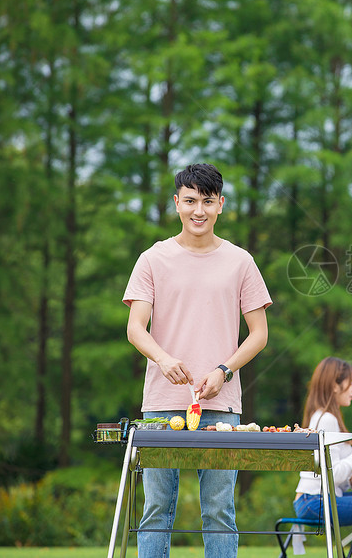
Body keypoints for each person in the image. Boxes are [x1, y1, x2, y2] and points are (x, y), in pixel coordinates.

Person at [123, 163, 272, 558]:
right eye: (190, 201)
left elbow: (260, 333)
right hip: (161, 402)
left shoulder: (241, 261)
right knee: (156, 509)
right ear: (177, 204)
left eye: (208, 201)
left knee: (220, 510)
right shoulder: (152, 259)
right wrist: (163, 358)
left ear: (221, 205)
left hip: (221, 404)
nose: (199, 210)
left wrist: (224, 370)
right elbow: (136, 327)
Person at [293, 357, 352, 525]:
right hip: (315, 501)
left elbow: (330, 468)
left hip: (314, 500)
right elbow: (334, 474)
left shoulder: (324, 416)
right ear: (334, 386)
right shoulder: (326, 419)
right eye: (350, 383)